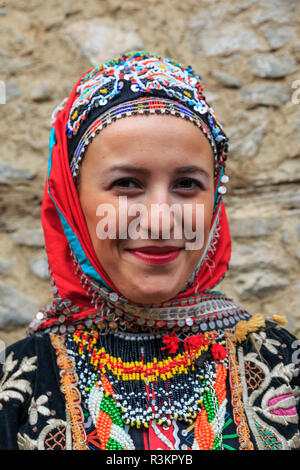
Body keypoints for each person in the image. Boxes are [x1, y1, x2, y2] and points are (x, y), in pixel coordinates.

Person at [0, 51, 299, 451]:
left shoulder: (282, 366)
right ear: (73, 203)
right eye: (127, 184)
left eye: (187, 185)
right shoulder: (19, 386)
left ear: (215, 199)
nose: (160, 220)